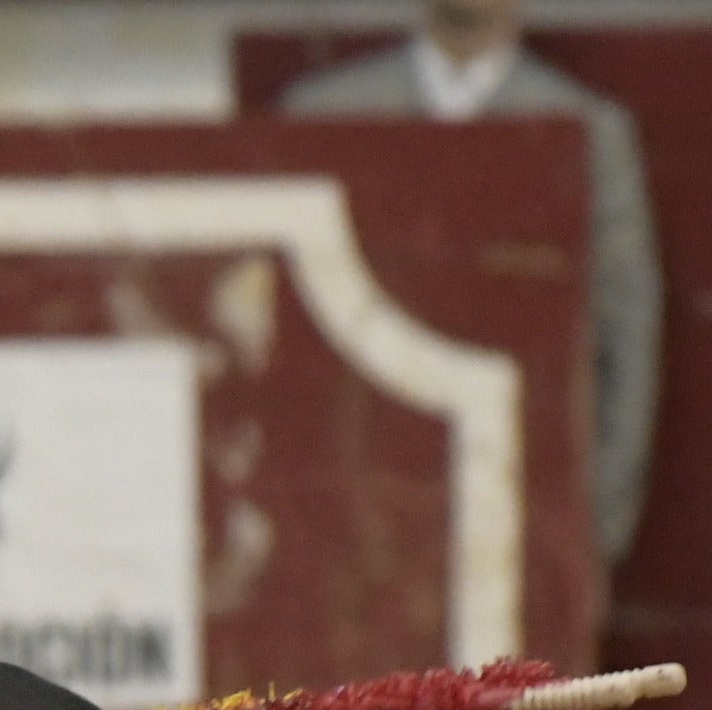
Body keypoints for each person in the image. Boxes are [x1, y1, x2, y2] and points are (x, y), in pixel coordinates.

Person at [283, 0, 662, 569]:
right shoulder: (319, 117)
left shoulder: (589, 131)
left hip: (524, 515)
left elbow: (628, 336)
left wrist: (596, 525)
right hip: (353, 514)